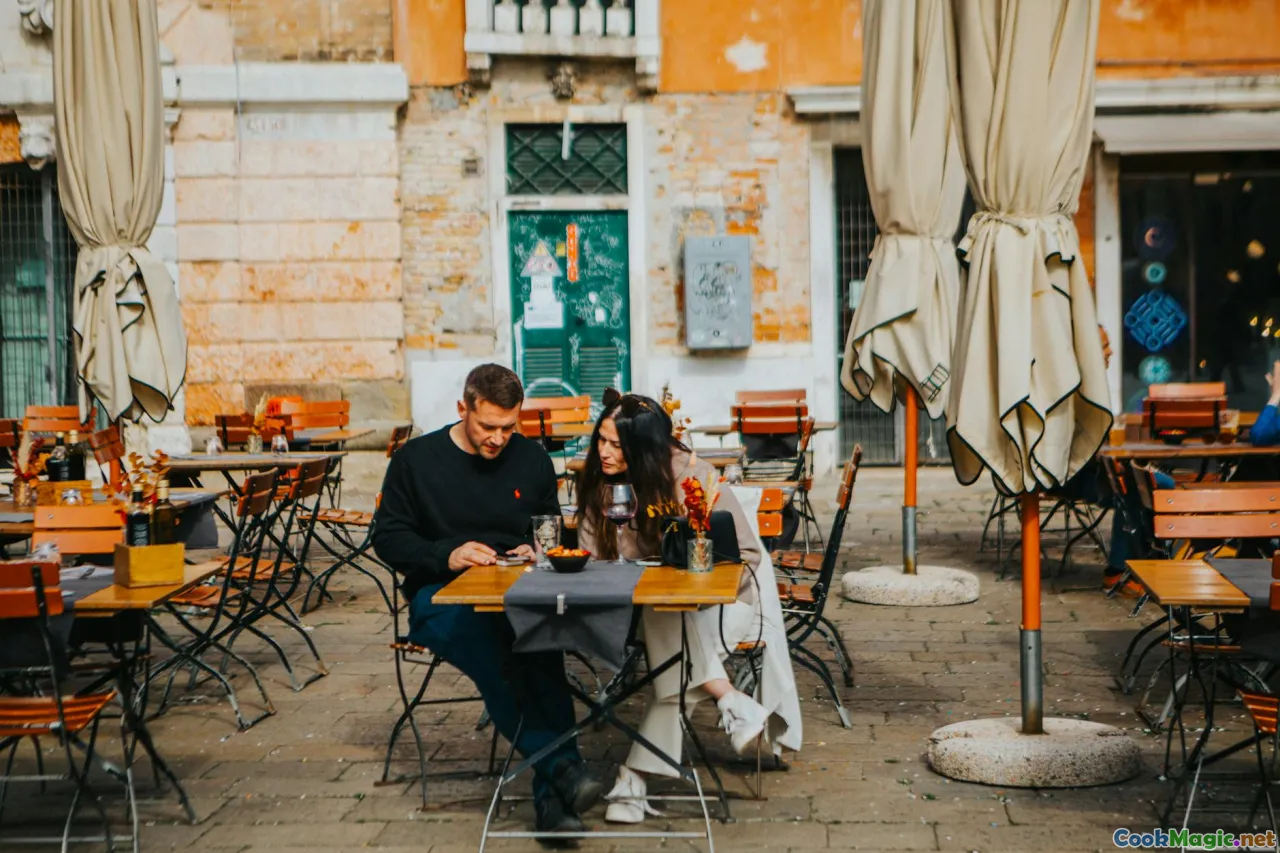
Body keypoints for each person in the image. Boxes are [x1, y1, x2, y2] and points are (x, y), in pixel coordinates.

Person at [372, 364, 603, 841]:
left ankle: (554, 797)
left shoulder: (532, 459)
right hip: (439, 593)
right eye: (488, 426)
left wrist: (535, 546)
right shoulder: (416, 461)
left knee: (543, 649)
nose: (498, 438)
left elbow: (549, 527)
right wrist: (447, 554)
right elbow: (388, 538)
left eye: (508, 427)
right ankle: (561, 770)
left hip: (517, 589)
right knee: (498, 653)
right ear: (463, 408)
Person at [574, 391, 774, 824]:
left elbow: (746, 557)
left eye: (616, 445)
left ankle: (634, 777)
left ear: (644, 448)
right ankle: (729, 698)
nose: (604, 452)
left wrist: (696, 581)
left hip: (723, 607)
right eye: (601, 440)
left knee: (672, 640)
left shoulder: (694, 477)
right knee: (664, 614)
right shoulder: (598, 482)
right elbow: (591, 559)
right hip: (646, 611)